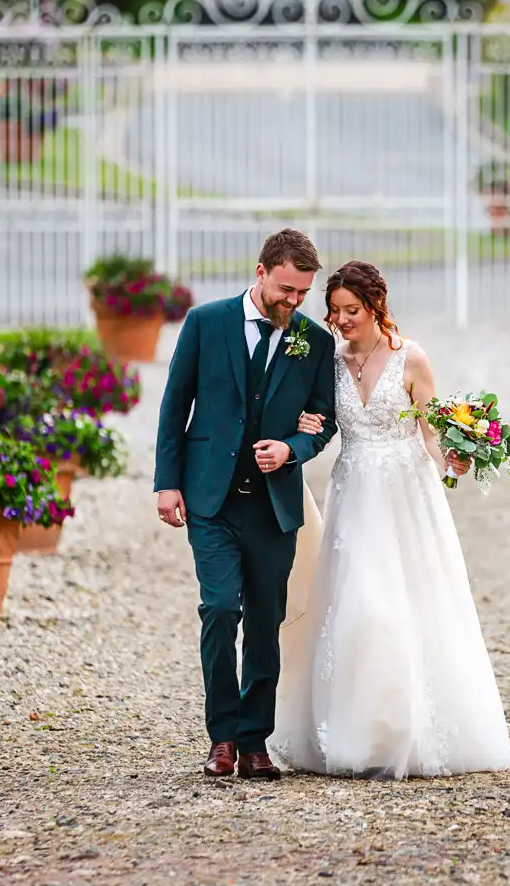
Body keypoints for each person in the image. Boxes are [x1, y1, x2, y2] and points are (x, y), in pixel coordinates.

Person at [268, 260, 510, 778]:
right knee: (356, 608)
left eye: (351, 310)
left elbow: (429, 428)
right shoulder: (330, 361)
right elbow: (323, 422)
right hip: (354, 494)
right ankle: (357, 732)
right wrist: (306, 423)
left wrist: (453, 455)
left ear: (376, 304)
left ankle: (405, 731)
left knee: (403, 606)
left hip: (403, 496)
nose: (342, 320)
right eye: (334, 311)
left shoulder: (411, 358)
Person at [154, 229, 338, 780]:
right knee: (219, 610)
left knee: (264, 622)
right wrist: (167, 482)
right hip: (210, 499)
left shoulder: (313, 341)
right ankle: (223, 738)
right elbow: (174, 405)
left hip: (273, 508)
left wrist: (292, 448)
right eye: (286, 289)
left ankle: (256, 740)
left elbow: (323, 421)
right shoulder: (205, 323)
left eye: (302, 293)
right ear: (260, 272)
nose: (293, 301)